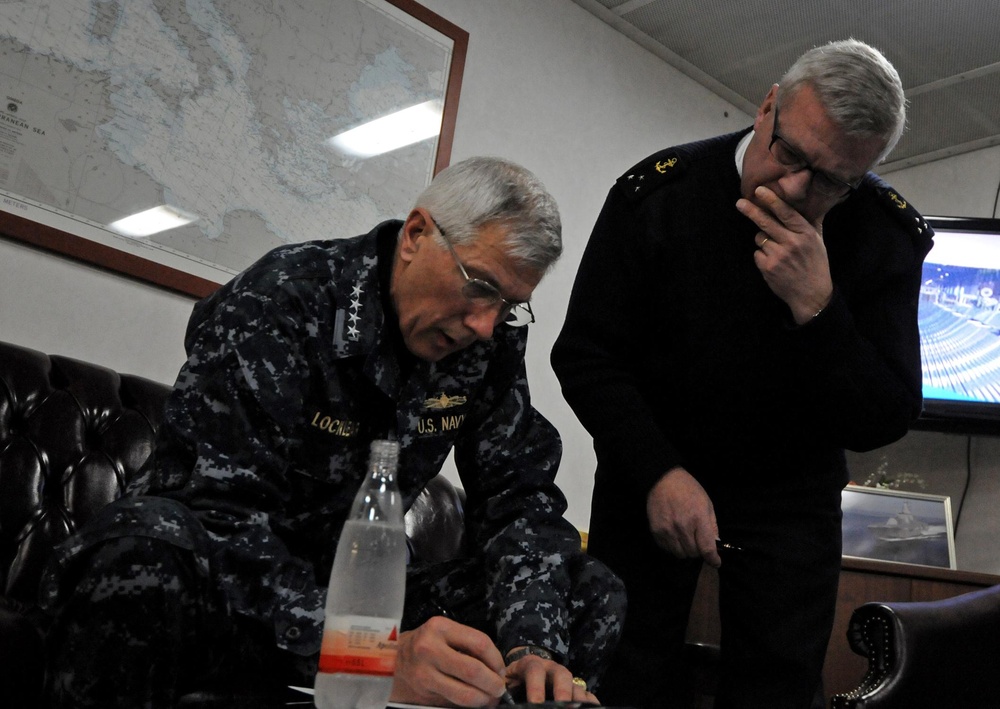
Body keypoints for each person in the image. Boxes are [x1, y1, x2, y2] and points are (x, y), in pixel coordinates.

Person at [41, 156, 625, 707]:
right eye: (479, 286)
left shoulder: (485, 345)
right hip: (231, 587)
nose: (483, 323)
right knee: (143, 542)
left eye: (509, 306)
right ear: (417, 235)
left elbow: (519, 499)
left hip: (357, 595)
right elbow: (221, 515)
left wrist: (533, 646)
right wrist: (367, 652)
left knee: (586, 587)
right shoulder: (283, 297)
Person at [550, 39, 933, 709]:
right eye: (790, 156)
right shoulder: (658, 195)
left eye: (831, 181)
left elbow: (886, 414)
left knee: (778, 688)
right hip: (650, 472)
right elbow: (586, 354)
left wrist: (818, 308)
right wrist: (658, 471)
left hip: (790, 499)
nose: (795, 189)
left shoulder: (882, 236)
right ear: (766, 109)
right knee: (624, 672)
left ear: (864, 173)